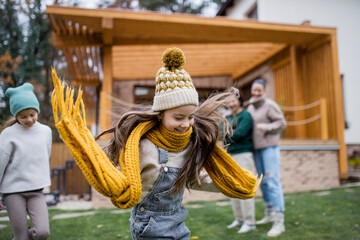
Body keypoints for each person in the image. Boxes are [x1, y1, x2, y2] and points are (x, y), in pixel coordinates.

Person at [51, 47, 261, 240]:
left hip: (178, 222)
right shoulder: (142, 146)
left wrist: (229, 184)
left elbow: (193, 179)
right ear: (160, 114)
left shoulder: (190, 145)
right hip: (149, 226)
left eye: (190, 117)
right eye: (178, 118)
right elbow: (121, 175)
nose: (186, 124)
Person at [0, 83, 52, 240]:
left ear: (37, 111)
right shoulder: (8, 134)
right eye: (23, 117)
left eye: (32, 114)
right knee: (21, 236)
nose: (29, 119)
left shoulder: (45, 131)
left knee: (42, 233)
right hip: (13, 191)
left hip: (36, 190)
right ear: (16, 116)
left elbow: (45, 156)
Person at [247, 79, 287, 237]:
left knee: (273, 182)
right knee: (263, 182)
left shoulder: (270, 105)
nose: (256, 93)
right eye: (254, 90)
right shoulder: (250, 107)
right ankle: (269, 213)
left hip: (269, 148)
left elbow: (281, 122)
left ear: (264, 91)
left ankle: (279, 221)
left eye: (259, 90)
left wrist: (267, 127)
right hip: (256, 150)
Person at [224, 91, 257, 234]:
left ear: (240, 101)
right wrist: (229, 134)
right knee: (233, 187)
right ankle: (239, 219)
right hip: (230, 155)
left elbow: (240, 133)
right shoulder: (227, 117)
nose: (231, 104)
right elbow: (220, 132)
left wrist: (227, 134)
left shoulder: (246, 115)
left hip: (244, 154)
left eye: (234, 101)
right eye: (229, 101)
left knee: (244, 187)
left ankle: (250, 222)